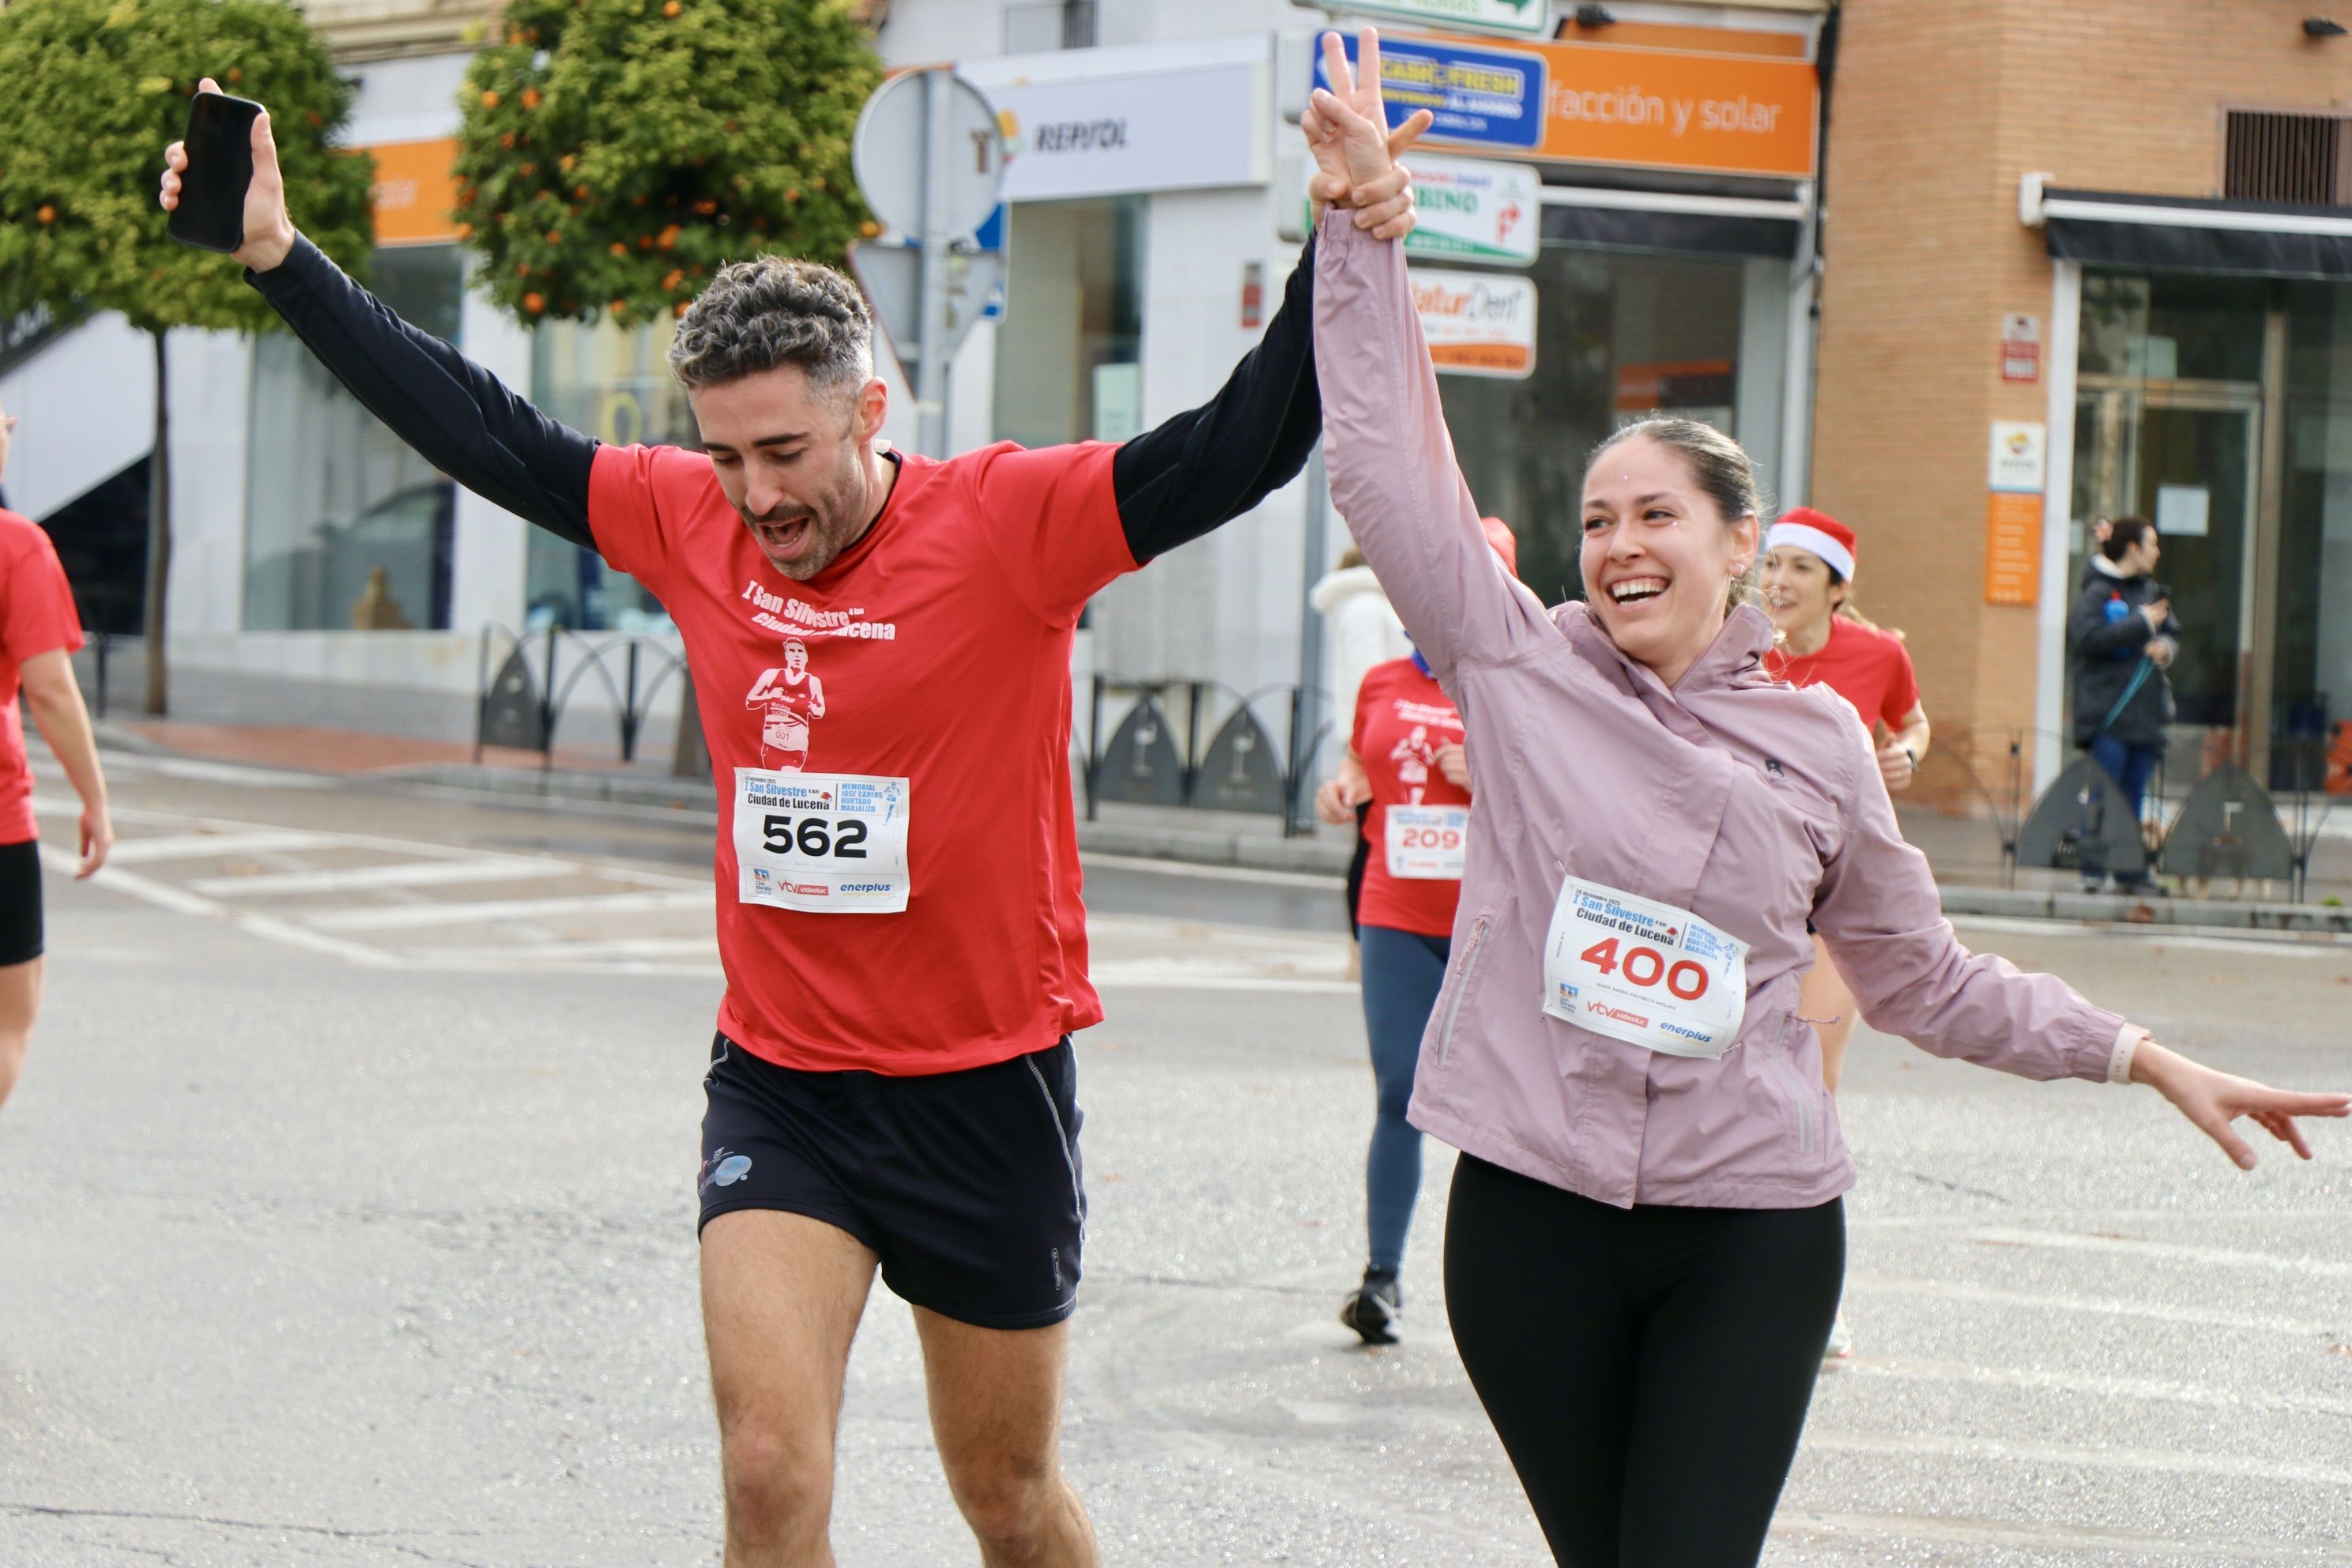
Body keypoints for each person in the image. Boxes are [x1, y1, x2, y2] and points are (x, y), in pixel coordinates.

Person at [166, 74, 1421, 1568]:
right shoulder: (687, 513)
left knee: (1007, 1497)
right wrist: (278, 260)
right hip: (785, 1079)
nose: (754, 495)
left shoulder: (1011, 524)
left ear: (868, 411)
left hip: (981, 1080)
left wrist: (1340, 238)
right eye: (724, 454)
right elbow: (486, 432)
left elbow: (1235, 450)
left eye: (785, 453)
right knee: (767, 1469)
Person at [1303, 32, 2348, 1566]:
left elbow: (1926, 977)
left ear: (1743, 550)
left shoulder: (1823, 746)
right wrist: (1364, 225)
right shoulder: (1517, 671)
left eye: (1658, 513)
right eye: (1598, 520)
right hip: (1531, 1223)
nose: (1618, 544)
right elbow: (1392, 467)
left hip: (1752, 1231)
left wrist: (2139, 1051)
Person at [1314, 520, 1515, 1344]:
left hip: (1493, 923)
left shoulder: (1521, 685)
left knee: (1502, 1112)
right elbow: (1366, 764)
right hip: (1394, 908)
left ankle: (1513, 1285)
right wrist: (1345, 788)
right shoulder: (1384, 681)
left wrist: (1496, 770)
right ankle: (1382, 1277)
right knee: (1400, 1091)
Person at [1760, 507, 1926, 1359]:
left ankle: (1811, 1295)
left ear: (1836, 584)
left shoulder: (1878, 654)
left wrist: (1906, 756)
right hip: (1745, 900)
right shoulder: (1736, 645)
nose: (1778, 581)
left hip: (1834, 900)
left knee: (1811, 1082)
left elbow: (1911, 722)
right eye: (1771, 564)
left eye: (1798, 567)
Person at [0, 394, 115, 1112]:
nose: (10, 429)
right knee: (9, 1015)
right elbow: (50, 689)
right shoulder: (16, 547)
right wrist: (96, 800)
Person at [2067, 514, 2176, 894]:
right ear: (2133, 548)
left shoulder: (2150, 591)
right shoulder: (2098, 592)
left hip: (2145, 717)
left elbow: (2170, 633)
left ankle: (2131, 871)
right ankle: (2093, 870)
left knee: (2134, 796)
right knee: (2104, 795)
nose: (2157, 553)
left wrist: (2165, 647)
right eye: (2152, 544)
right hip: (2108, 717)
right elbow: (2086, 639)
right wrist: (2140, 625)